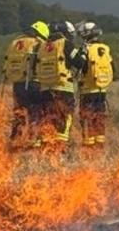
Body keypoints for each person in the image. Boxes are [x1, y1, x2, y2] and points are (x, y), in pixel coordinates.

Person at [37, 20, 86, 148]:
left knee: (48, 120)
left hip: (45, 90)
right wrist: (83, 54)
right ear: (65, 33)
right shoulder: (65, 44)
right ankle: (59, 150)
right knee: (64, 119)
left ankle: (47, 149)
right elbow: (80, 63)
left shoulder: (42, 46)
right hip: (63, 89)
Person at [3, 20, 49, 148]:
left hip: (17, 84)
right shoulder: (38, 43)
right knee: (36, 112)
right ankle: (33, 140)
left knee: (19, 113)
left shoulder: (15, 42)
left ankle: (15, 140)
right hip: (33, 83)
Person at [77, 22, 114, 146]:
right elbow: (112, 68)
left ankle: (88, 146)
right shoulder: (105, 48)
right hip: (101, 90)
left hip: (87, 90)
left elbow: (80, 66)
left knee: (87, 119)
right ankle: (99, 145)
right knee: (99, 118)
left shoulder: (86, 49)